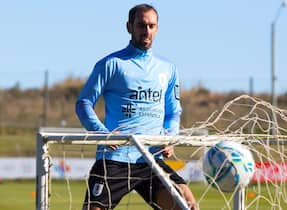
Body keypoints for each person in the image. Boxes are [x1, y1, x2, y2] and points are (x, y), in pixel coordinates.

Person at [75, 3, 197, 210]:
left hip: (151, 159)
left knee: (187, 205)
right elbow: (83, 103)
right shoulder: (111, 64)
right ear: (129, 27)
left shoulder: (168, 69)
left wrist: (169, 137)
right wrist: (102, 133)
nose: (146, 31)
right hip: (116, 159)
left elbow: (173, 111)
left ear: (157, 28)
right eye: (141, 25)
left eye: (151, 25)